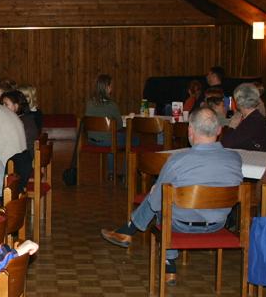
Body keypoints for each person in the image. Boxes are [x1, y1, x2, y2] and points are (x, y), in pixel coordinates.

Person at [101, 107, 242, 284]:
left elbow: (155, 204)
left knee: (161, 199)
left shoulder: (178, 160)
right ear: (219, 130)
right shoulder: (235, 159)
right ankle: (129, 231)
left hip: (179, 226)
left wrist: (156, 191)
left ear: (190, 130)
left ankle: (164, 259)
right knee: (164, 195)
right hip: (217, 225)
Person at [221, 83, 266, 152]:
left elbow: (225, 144)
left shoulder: (252, 121)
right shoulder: (256, 117)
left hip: (253, 158)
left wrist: (231, 127)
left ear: (238, 102)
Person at [84, 74, 123, 145]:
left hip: (91, 141)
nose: (111, 89)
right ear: (107, 88)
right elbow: (120, 125)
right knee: (135, 140)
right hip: (107, 141)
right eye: (111, 86)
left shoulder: (89, 103)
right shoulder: (112, 105)